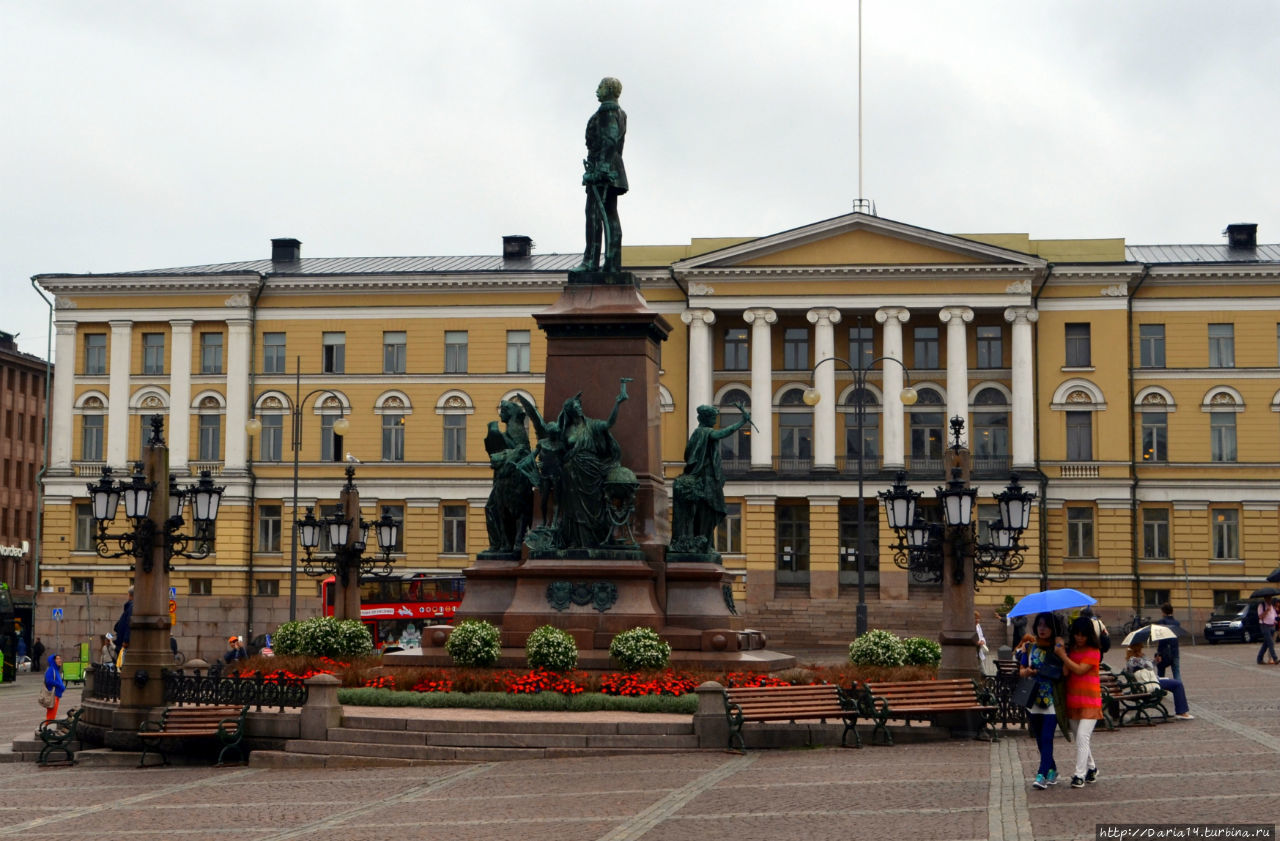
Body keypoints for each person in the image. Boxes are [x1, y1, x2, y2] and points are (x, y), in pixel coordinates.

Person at [518, 384, 629, 550]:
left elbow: (608, 424)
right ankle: (576, 540)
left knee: (594, 505)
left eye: (579, 406)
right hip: (571, 471)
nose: (578, 408)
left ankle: (594, 540)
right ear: (570, 410)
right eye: (575, 406)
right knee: (573, 507)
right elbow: (556, 446)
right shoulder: (566, 429)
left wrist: (617, 404)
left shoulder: (592, 425)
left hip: (591, 469)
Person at [670, 404, 751, 553]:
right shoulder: (703, 432)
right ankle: (703, 543)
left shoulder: (698, 433)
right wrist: (741, 423)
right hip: (705, 478)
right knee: (708, 512)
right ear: (706, 418)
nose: (715, 421)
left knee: (708, 513)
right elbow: (720, 434)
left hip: (706, 478)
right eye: (713, 418)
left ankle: (705, 544)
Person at [572, 76, 628, 274]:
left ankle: (591, 262)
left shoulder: (607, 112)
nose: (597, 90)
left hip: (603, 171)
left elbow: (611, 139)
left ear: (609, 90)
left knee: (595, 215)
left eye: (600, 87)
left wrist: (601, 169)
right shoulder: (620, 113)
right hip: (614, 169)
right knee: (610, 215)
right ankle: (612, 262)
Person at [1019, 612, 1069, 790]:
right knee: (1040, 738)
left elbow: (1064, 673)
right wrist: (1028, 672)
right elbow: (1022, 670)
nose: (1042, 628)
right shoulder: (1030, 648)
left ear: (1053, 628)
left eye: (1046, 625)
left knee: (1047, 737)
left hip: (1051, 699)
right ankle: (1052, 770)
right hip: (1033, 698)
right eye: (1039, 625)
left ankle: (1041, 774)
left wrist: (1060, 647)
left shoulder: (1058, 648)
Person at [1061, 616, 1103, 788]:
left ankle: (1079, 775)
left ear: (1089, 635)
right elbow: (1065, 672)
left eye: (1083, 635)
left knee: (1083, 737)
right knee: (1080, 739)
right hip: (1073, 699)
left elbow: (1079, 670)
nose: (1080, 638)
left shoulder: (1094, 651)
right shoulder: (1071, 650)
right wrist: (1064, 654)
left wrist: (1063, 656)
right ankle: (1091, 768)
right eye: (1077, 634)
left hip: (1090, 701)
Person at [1124, 643, 1193, 719]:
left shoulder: (1131, 659)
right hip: (1150, 683)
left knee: (1174, 683)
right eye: (1141, 648)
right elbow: (1149, 667)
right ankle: (1181, 712)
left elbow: (1148, 666)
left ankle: (1181, 711)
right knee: (1178, 685)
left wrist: (1155, 661)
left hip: (1148, 682)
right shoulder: (1135, 660)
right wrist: (1147, 658)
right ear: (1138, 650)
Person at [1154, 602, 1182, 681]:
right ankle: (1179, 689)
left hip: (1164, 651)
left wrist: (1158, 653)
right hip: (1175, 651)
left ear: (1163, 612)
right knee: (1176, 673)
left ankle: (1161, 689)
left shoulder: (1161, 622)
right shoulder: (1177, 623)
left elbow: (1162, 639)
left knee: (1161, 672)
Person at [113, 586, 134, 660]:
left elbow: (129, 623)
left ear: (130, 595)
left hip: (125, 644)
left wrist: (126, 640)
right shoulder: (130, 606)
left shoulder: (131, 606)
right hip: (123, 641)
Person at [43, 653, 65, 721]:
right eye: (57, 659)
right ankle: (47, 728)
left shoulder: (56, 670)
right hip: (53, 696)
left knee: (52, 714)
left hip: (56, 695)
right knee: (51, 715)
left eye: (60, 658)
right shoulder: (51, 669)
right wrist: (59, 685)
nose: (59, 660)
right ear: (53, 661)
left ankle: (48, 727)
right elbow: (48, 681)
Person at [1256, 598, 1278, 665]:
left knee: (1265, 644)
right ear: (1266, 598)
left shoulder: (1271, 606)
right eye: (1268, 598)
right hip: (1264, 626)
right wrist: (1267, 610)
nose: (1270, 600)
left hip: (1272, 626)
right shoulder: (1261, 605)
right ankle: (1275, 658)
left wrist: (1274, 621)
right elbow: (1260, 616)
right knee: (1271, 643)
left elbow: (1274, 616)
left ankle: (1259, 659)